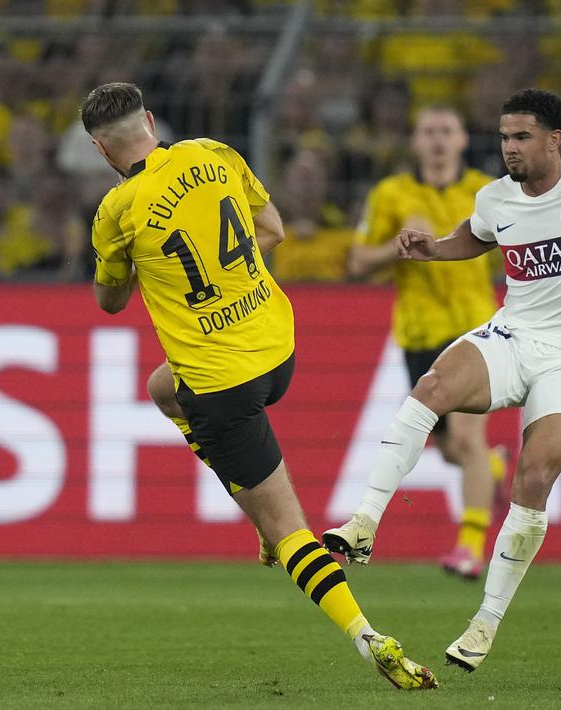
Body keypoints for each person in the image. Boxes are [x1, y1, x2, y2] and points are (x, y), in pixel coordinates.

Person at [322, 83, 561, 671]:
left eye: (522, 137)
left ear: (555, 140)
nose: (509, 148)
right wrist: (431, 248)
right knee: (430, 389)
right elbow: (474, 239)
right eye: (504, 137)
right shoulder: (496, 198)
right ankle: (364, 523)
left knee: (533, 478)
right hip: (515, 334)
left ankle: (484, 623)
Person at [82, 82, 437, 691]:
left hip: (222, 386)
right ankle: (254, 510)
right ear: (148, 118)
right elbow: (271, 230)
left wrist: (146, 263)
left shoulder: (119, 209)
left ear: (99, 149)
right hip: (278, 349)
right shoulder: (214, 154)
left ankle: (366, 635)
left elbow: (110, 302)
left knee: (288, 528)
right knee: (162, 389)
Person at [347, 105, 508, 579]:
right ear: (415, 142)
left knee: (465, 437)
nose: (437, 140)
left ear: (462, 140)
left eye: (447, 130)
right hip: (418, 333)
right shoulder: (392, 193)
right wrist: (394, 248)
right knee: (455, 450)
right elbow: (358, 261)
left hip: (473, 330)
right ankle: (493, 471)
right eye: (428, 132)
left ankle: (470, 547)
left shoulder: (486, 191)